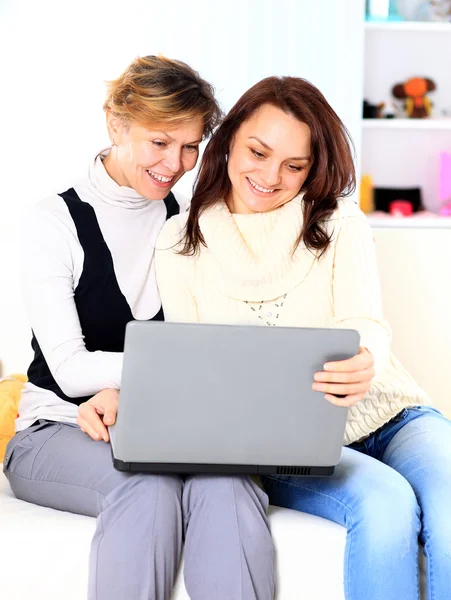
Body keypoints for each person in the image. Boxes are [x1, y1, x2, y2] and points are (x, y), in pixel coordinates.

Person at [154, 75, 451, 600]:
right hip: (288, 448)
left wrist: (365, 355)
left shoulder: (338, 222)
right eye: (258, 152)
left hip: (392, 414)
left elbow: (368, 325)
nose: (271, 176)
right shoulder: (181, 240)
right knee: (385, 505)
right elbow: (194, 367)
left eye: (295, 166)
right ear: (226, 142)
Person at [3, 55, 275, 600]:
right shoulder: (51, 223)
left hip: (164, 428)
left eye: (191, 146)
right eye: (159, 142)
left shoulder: (189, 220)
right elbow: (72, 370)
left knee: (229, 485)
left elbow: (217, 335)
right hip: (56, 429)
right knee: (145, 485)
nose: (175, 162)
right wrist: (179, 370)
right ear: (115, 123)